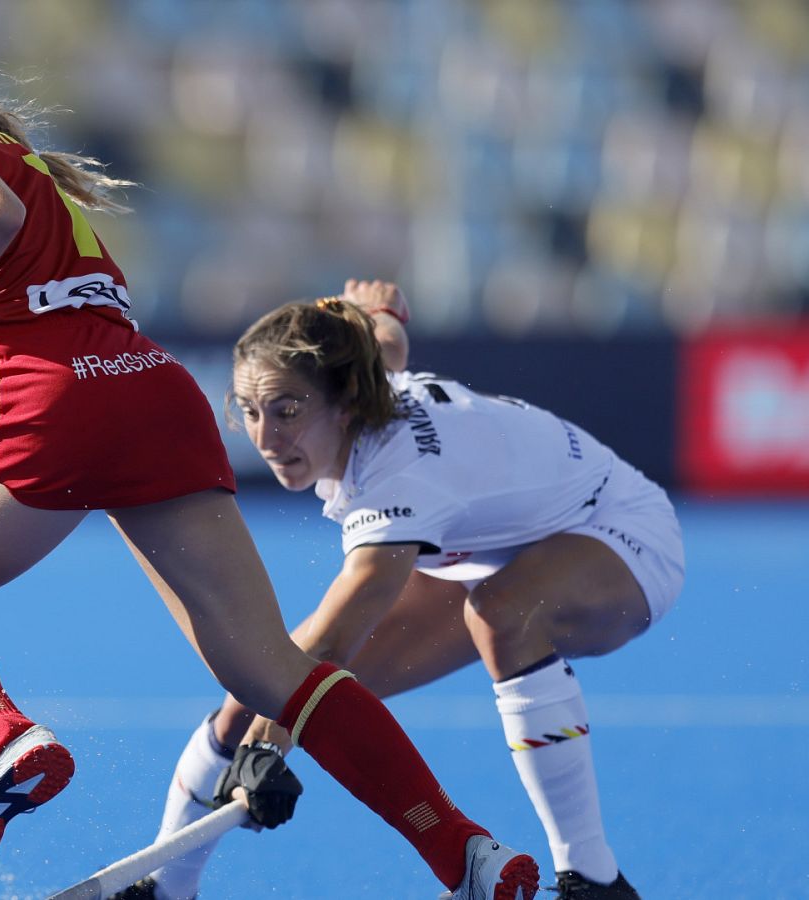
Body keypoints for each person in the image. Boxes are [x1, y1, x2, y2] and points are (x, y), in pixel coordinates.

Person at [0, 3, 540, 896]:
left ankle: (5, 743)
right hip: (149, 388)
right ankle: (466, 853)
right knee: (271, 670)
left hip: (52, 395)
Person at [124, 281, 681, 900]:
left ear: (344, 404)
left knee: (499, 613)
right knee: (249, 698)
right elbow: (382, 343)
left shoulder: (400, 477)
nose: (265, 438)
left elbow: (332, 640)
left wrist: (266, 752)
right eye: (249, 412)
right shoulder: (362, 376)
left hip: (625, 535)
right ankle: (166, 888)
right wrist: (380, 314)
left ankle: (594, 877)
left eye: (286, 411)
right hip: (499, 551)